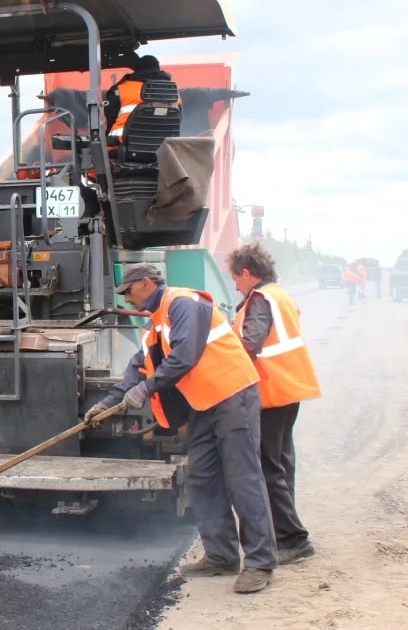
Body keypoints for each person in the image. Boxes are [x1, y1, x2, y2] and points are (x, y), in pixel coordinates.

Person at [83, 263, 278, 593]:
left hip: (233, 395)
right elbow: (137, 372)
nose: (128, 300)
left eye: (129, 292)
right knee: (202, 477)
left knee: (242, 477)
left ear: (146, 284)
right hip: (203, 404)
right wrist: (104, 405)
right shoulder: (153, 328)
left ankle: (260, 562)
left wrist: (147, 389)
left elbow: (185, 354)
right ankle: (221, 555)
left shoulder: (182, 303)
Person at [227, 244, 321, 565]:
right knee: (281, 464)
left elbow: (250, 344)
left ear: (247, 273)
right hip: (289, 389)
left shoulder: (260, 300)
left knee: (268, 469)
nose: (235, 285)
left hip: (270, 391)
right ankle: (286, 533)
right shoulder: (280, 294)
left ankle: (293, 539)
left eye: (236, 278)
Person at [104, 55, 178, 143]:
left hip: (122, 145)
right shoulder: (173, 92)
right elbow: (177, 119)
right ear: (158, 68)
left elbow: (109, 119)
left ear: (136, 69)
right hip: (164, 147)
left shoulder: (120, 90)